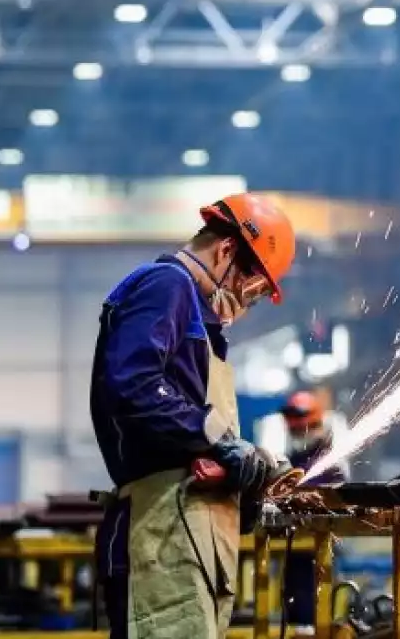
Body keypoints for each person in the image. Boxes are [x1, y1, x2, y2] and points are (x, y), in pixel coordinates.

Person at [90, 193, 297, 639]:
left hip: (187, 534)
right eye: (252, 287)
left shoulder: (196, 320)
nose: (246, 301)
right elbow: (136, 384)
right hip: (162, 530)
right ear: (226, 251)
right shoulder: (168, 285)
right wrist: (223, 442)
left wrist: (246, 473)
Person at [279, 391, 348, 628]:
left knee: (317, 603)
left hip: (320, 543)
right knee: (295, 606)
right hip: (294, 545)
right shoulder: (292, 458)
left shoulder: (330, 463)